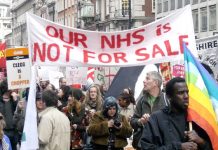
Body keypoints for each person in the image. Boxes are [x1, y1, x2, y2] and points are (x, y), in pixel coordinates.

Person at [140, 77, 212, 150]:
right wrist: (178, 147)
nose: (186, 96)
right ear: (169, 97)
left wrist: (200, 141)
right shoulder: (156, 119)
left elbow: (213, 146)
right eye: (181, 93)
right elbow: (146, 147)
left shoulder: (195, 118)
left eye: (187, 92)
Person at [130, 71, 168, 150]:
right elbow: (133, 121)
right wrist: (140, 121)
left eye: (147, 79)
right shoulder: (142, 100)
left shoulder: (167, 99)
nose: (144, 81)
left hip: (162, 145)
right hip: (143, 145)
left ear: (155, 83)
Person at [0, 79, 18, 150]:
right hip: (2, 132)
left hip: (13, 131)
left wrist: (15, 101)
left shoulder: (14, 99)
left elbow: (18, 114)